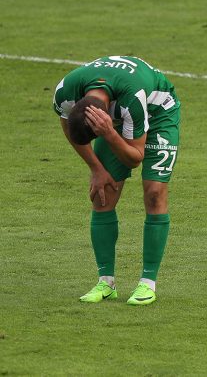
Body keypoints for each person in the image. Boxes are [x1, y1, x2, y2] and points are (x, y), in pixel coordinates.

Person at [53, 55, 181, 305]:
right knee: (104, 192)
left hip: (158, 113)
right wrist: (96, 168)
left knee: (154, 192)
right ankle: (106, 282)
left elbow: (135, 156)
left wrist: (110, 133)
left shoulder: (130, 99)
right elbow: (69, 129)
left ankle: (147, 284)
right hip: (116, 119)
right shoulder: (65, 92)